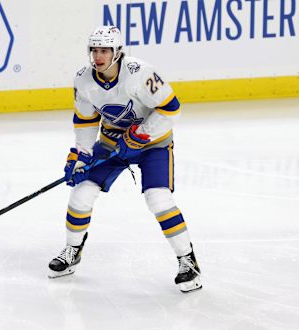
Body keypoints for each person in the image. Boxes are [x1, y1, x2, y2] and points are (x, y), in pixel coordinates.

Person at [48, 26, 201, 293]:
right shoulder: (83, 79)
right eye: (94, 50)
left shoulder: (139, 74)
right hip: (111, 143)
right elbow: (85, 121)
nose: (98, 56)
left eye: (104, 50)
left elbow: (171, 109)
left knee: (158, 198)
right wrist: (81, 156)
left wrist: (140, 134)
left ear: (117, 52)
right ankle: (73, 251)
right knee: (81, 193)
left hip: (153, 143)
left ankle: (188, 261)